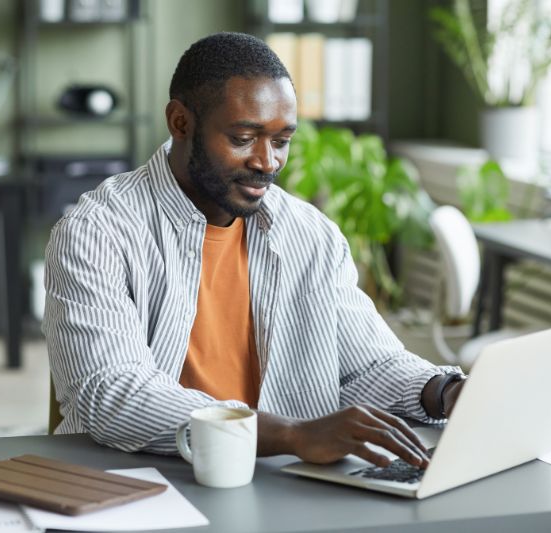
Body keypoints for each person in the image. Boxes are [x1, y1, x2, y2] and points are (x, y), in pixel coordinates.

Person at [43, 32, 465, 469]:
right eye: (244, 138)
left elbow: (368, 366)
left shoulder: (311, 236)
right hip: (138, 479)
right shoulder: (95, 233)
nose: (267, 162)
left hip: (276, 482)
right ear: (180, 122)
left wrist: (446, 391)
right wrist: (292, 435)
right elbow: (112, 394)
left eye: (281, 141)